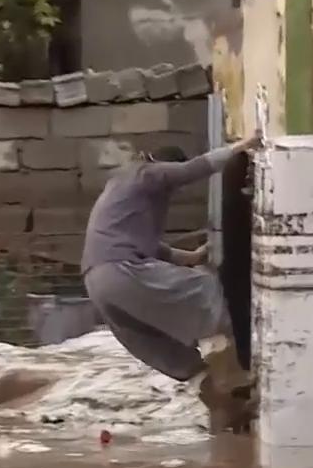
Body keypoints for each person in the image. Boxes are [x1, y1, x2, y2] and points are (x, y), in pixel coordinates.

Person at [82, 134, 262, 433]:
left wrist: (191, 256)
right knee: (207, 293)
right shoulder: (145, 174)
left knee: (174, 356)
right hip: (121, 270)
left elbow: (151, 246)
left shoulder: (121, 189)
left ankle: (227, 412)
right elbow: (195, 168)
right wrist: (239, 148)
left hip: (97, 283)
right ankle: (237, 375)